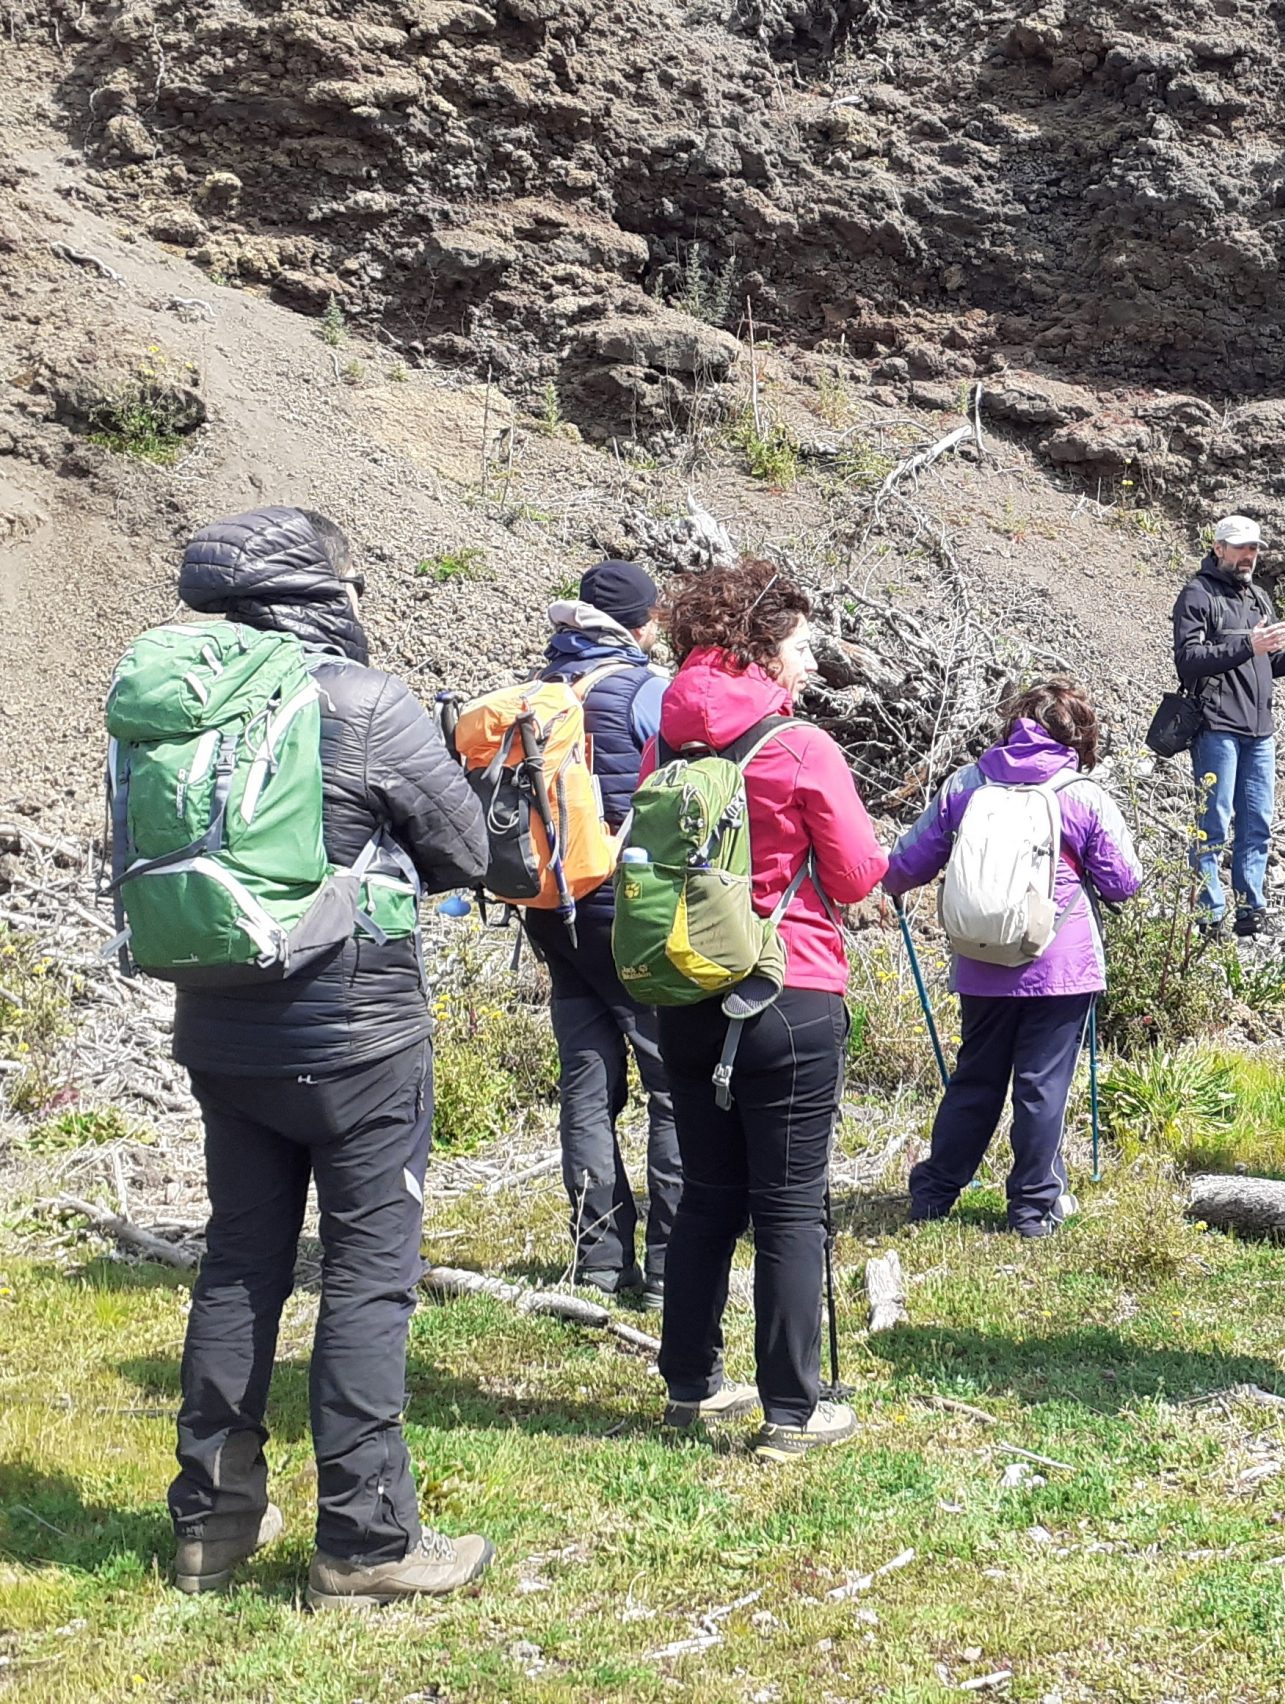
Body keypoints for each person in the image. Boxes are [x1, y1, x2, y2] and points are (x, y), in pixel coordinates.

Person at [161, 507, 496, 1606]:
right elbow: (467, 850)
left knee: (239, 1266)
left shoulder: (173, 707)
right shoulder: (363, 701)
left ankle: (208, 1528)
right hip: (357, 1041)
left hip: (221, 1029)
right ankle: (365, 1540)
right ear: (322, 595)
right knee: (366, 1278)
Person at [650, 560, 888, 1461]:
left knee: (707, 1193)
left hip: (687, 992)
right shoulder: (800, 748)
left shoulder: (668, 739)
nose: (807, 662)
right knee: (789, 1204)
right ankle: (795, 1407)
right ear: (762, 648)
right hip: (791, 990)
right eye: (798, 645)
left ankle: (690, 1383)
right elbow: (860, 874)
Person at [889, 678, 1145, 1236]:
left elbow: (905, 864)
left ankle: (934, 1194)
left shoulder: (967, 783)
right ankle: (1032, 1210)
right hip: (1061, 963)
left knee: (975, 1079)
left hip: (981, 959)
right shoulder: (1080, 795)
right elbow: (1125, 882)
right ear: (1078, 737)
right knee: (1040, 1086)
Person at [519, 561, 680, 1305]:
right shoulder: (644, 690)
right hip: (627, 909)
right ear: (642, 625)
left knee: (587, 1083)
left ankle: (598, 1260)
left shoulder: (541, 692)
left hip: (552, 909)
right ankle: (669, 1267)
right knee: (670, 1083)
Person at [1171, 515, 1285, 936]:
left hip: (1260, 731)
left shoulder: (1259, 597)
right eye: (1240, 547)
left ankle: (1250, 910)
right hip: (1216, 726)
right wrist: (1247, 644)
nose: (1248, 556)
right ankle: (1209, 914)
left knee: (1256, 822)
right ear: (1218, 547)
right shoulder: (1197, 594)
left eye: (1254, 548)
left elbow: (1268, 663)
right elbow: (1187, 661)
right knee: (1213, 823)